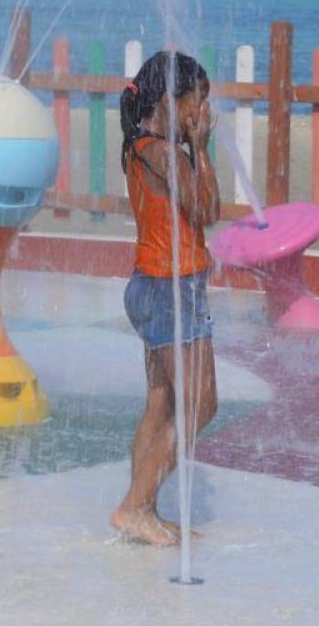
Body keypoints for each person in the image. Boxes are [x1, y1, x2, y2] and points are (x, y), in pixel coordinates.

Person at [111, 50, 220, 546]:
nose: (203, 112)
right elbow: (206, 209)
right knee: (200, 406)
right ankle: (135, 506)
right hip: (171, 288)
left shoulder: (140, 147)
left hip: (154, 286)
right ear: (168, 102)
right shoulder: (166, 154)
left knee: (161, 404)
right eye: (197, 101)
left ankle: (144, 510)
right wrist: (201, 148)